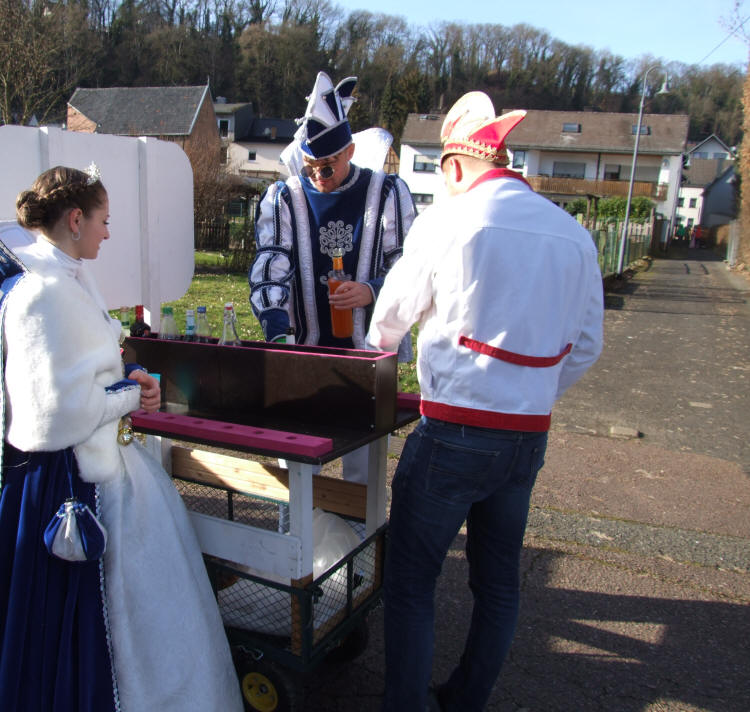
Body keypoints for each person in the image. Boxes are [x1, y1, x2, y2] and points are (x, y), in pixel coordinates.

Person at [0, 166, 242, 711]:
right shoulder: (44, 291)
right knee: (55, 637)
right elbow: (48, 420)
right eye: (104, 222)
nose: (108, 234)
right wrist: (130, 397)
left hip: (98, 466)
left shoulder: (64, 276)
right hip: (64, 487)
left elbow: (82, 369)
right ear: (75, 218)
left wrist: (129, 379)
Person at [367, 92, 604, 712]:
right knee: (497, 585)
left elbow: (389, 318)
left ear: (451, 166)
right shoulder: (574, 234)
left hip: (453, 434)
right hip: (527, 437)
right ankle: (465, 699)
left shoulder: (450, 220)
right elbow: (586, 346)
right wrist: (530, 391)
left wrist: (382, 357)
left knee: (413, 584)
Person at [248, 71, 415, 483]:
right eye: (312, 167)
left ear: (351, 151)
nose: (320, 176)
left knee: (363, 474)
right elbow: (273, 263)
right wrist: (277, 332)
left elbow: (409, 265)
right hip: (306, 353)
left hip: (368, 355)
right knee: (296, 468)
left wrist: (372, 290)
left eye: (329, 165)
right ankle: (298, 544)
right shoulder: (287, 196)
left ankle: (358, 543)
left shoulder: (387, 192)